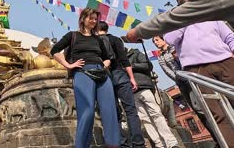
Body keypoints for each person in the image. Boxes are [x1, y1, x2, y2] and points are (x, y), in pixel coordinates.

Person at [163, 0, 234, 147]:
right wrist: (185, 16)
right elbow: (169, 39)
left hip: (226, 62)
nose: (195, 4)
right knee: (218, 114)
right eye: (189, 3)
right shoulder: (177, 21)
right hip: (197, 71)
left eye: (197, 0)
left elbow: (229, 36)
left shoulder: (211, 16)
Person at [51, 8, 119, 148]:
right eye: (91, 18)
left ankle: (113, 145)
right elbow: (54, 50)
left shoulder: (98, 39)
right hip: (83, 72)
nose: (94, 21)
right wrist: (68, 65)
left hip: (101, 74)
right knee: (87, 111)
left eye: (95, 19)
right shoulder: (72, 35)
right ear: (83, 19)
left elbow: (108, 57)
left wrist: (105, 64)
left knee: (109, 110)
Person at [152, 35, 219, 146]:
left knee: (209, 105)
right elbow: (167, 71)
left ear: (164, 39)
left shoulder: (176, 47)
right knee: (197, 109)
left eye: (157, 40)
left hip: (194, 77)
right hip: (182, 82)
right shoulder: (161, 57)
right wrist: (179, 77)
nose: (155, 43)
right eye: (154, 41)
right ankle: (215, 136)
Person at [97, 21, 145, 148]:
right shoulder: (116, 40)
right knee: (130, 111)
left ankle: (123, 143)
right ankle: (138, 143)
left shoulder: (94, 41)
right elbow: (125, 60)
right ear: (107, 29)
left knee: (114, 113)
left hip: (104, 79)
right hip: (120, 75)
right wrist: (132, 78)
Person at [126, 47, 179, 148]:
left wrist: (130, 66)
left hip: (143, 87)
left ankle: (171, 142)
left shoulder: (136, 53)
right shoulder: (118, 60)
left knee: (156, 114)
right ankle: (159, 144)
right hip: (131, 92)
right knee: (144, 119)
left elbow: (148, 65)